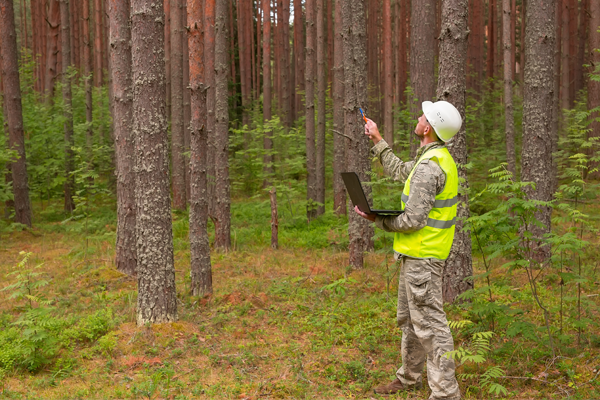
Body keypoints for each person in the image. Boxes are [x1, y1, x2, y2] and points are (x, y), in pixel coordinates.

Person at [355, 101, 462, 400]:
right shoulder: (430, 158)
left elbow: (413, 219)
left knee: (431, 326)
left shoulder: (431, 166)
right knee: (411, 321)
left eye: (423, 116)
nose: (418, 117)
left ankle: (445, 394)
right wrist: (377, 139)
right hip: (415, 256)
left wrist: (379, 219)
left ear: (427, 128)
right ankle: (410, 377)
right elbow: (403, 171)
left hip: (423, 258)